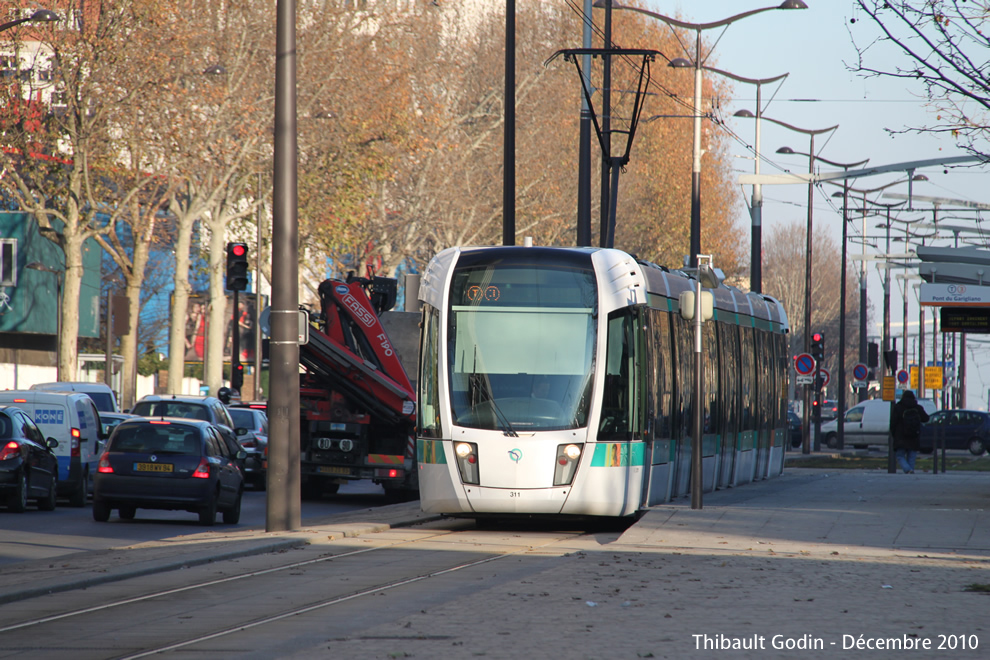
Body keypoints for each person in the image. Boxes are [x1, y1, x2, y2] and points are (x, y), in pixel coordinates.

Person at [890, 390, 929, 474]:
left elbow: (893, 422)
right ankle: (910, 471)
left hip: (900, 435)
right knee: (912, 455)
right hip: (914, 434)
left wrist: (894, 433)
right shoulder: (917, 407)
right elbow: (926, 418)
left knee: (900, 455)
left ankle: (908, 470)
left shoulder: (898, 407)